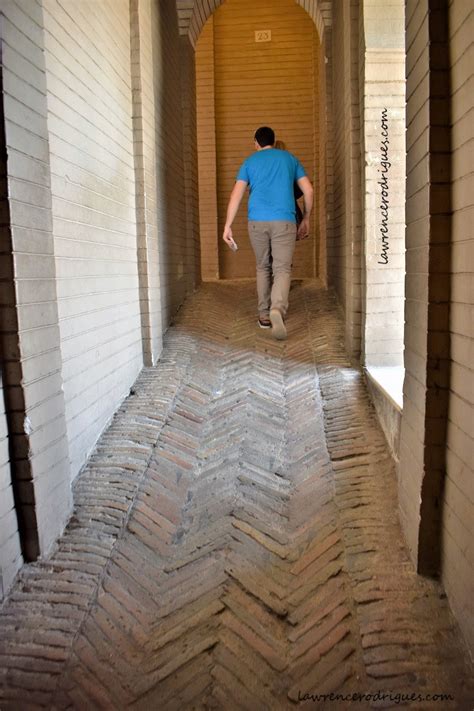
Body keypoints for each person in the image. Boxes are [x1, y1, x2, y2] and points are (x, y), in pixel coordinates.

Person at [222, 126, 313, 340]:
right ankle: (277, 309)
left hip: (257, 222)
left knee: (262, 266)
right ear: (274, 140)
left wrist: (228, 225)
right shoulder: (289, 159)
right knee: (282, 269)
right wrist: (307, 218)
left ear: (256, 142)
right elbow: (308, 190)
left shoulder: (249, 162)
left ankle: (263, 315)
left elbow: (236, 195)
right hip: (284, 221)